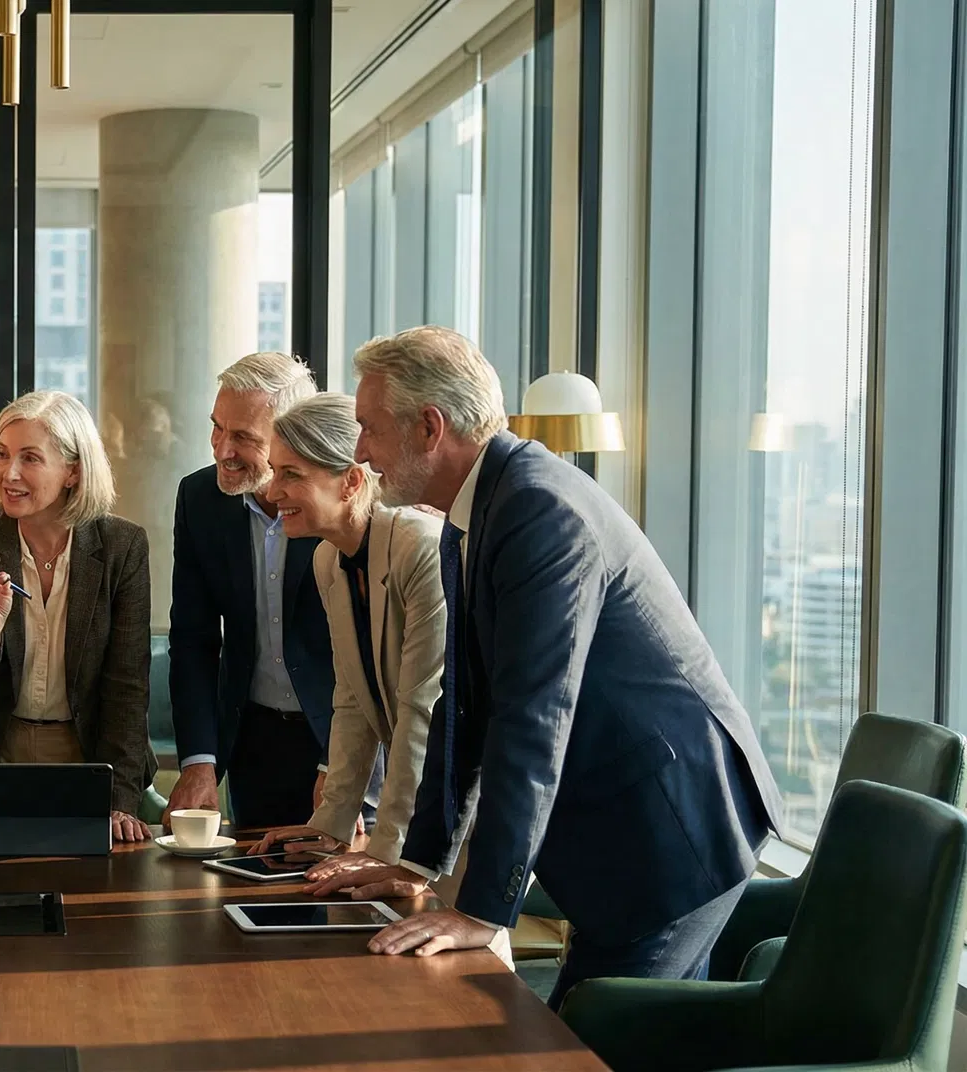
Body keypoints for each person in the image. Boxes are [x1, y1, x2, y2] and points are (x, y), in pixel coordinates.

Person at [309, 325, 780, 1007]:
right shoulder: (475, 510)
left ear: (430, 427)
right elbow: (462, 710)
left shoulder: (538, 510)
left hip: (671, 831)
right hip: (624, 834)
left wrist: (482, 912)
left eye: (370, 429)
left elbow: (532, 717)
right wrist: (412, 862)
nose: (361, 452)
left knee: (588, 1043)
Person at [0, 391, 154, 840]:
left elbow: (127, 685)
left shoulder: (121, 547)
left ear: (73, 471)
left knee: (87, 901)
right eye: (1, 454)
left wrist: (121, 801)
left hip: (89, 758)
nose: (8, 473)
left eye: (29, 458)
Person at [245, 393, 446, 872]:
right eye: (274, 472)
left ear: (352, 481)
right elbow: (352, 701)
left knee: (458, 944)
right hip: (418, 810)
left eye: (291, 474)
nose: (272, 493)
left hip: (461, 815)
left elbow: (423, 713)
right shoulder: (328, 559)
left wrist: (388, 854)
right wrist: (329, 824)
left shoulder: (422, 548)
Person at [165, 352, 355, 830]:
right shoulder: (199, 499)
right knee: (249, 890)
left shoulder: (338, 506)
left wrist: (341, 768)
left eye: (244, 438)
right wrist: (198, 761)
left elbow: (368, 660)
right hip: (252, 740)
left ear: (292, 439)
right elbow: (193, 640)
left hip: (340, 739)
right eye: (217, 428)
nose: (222, 449)